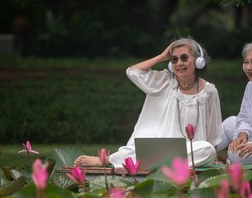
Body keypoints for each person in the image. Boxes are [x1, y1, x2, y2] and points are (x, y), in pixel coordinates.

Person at [74, 36, 222, 168]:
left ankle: (152, 163)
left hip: (188, 150)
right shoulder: (162, 80)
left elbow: (213, 131)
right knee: (134, 150)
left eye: (184, 58)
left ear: (198, 61)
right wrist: (162, 56)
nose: (179, 63)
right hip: (155, 147)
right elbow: (133, 72)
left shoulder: (209, 91)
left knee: (206, 149)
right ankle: (106, 160)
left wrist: (213, 155)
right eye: (174, 59)